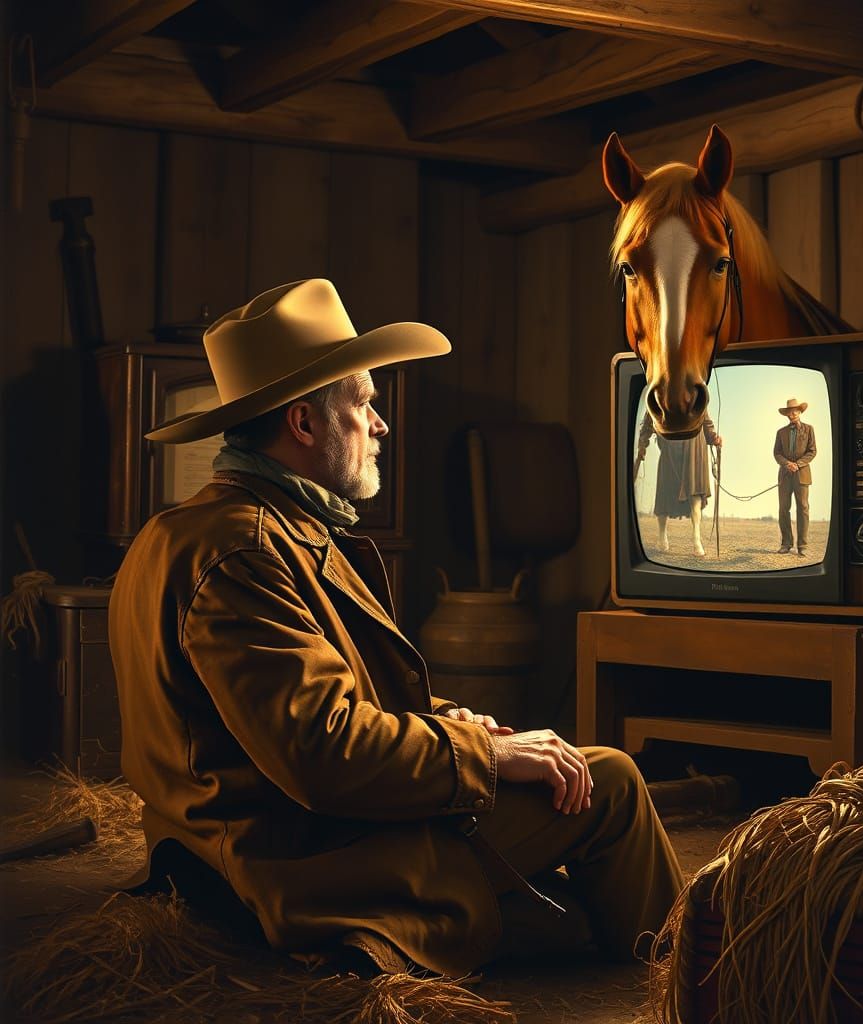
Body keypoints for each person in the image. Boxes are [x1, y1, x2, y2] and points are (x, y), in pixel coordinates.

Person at [109, 278, 684, 980]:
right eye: (365, 405)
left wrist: (456, 725)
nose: (380, 425)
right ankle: (699, 975)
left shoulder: (209, 528)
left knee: (573, 911)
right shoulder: (247, 552)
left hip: (256, 842)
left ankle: (651, 946)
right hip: (289, 865)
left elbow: (331, 703)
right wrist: (485, 756)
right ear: (304, 423)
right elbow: (322, 753)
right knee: (614, 784)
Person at [635, 410, 722, 556]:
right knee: (664, 492)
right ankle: (662, 536)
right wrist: (642, 444)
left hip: (694, 448)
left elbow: (706, 422)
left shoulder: (697, 391)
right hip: (669, 448)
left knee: (695, 494)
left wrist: (714, 437)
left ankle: (696, 539)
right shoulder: (659, 391)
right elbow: (649, 421)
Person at [773, 397, 817, 555]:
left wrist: (797, 464)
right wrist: (787, 464)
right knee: (783, 508)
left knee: (803, 508)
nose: (793, 414)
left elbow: (812, 451)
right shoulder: (781, 432)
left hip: (802, 474)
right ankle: (786, 543)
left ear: (800, 411)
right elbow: (776, 453)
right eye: (790, 412)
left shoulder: (809, 429)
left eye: (795, 411)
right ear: (786, 414)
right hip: (785, 475)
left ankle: (802, 546)